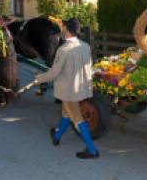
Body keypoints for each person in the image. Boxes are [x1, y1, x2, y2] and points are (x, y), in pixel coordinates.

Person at [34, 18, 99, 159]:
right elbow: (89, 68)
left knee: (77, 119)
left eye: (64, 28)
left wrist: (39, 78)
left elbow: (54, 73)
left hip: (69, 92)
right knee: (66, 113)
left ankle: (92, 150)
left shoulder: (63, 49)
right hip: (82, 88)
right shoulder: (86, 46)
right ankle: (57, 136)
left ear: (67, 31)